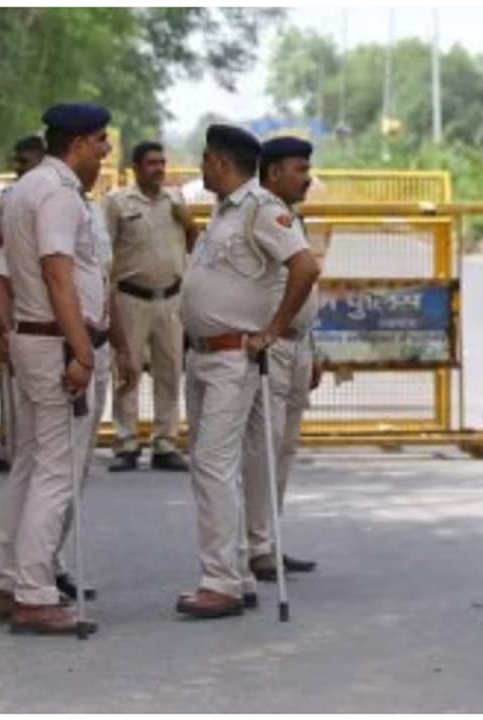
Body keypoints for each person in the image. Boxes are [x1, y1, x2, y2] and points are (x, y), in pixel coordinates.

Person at [175, 124, 320, 619]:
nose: (199, 168)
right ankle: (234, 570)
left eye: (203, 160)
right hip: (206, 354)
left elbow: (304, 267)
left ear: (219, 162)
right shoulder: (224, 211)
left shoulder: (260, 208)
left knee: (214, 464)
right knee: (217, 462)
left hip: (233, 356)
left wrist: (274, 329)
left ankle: (221, 582)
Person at [0, 102, 114, 635]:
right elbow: (58, 277)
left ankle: (10, 578)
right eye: (101, 142)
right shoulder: (58, 194)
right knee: (57, 472)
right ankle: (35, 592)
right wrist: (83, 351)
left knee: (32, 464)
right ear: (80, 143)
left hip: (35, 340)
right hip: (57, 342)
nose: (106, 152)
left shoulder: (23, 189)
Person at [241, 136, 324, 582]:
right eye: (299, 169)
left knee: (285, 447)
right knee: (264, 447)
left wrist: (315, 348)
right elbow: (300, 273)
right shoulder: (263, 211)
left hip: (298, 344)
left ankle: (270, 538)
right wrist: (274, 331)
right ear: (273, 173)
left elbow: (310, 288)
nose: (307, 177)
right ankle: (256, 545)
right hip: (274, 346)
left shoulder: (293, 218)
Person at [103, 140, 198, 472]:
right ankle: (126, 441)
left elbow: (194, 244)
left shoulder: (176, 199)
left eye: (162, 162)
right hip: (131, 296)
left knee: (170, 370)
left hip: (170, 297)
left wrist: (188, 222)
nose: (159, 169)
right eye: (151, 163)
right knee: (127, 370)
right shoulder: (117, 202)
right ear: (136, 168)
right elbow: (104, 251)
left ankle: (165, 441)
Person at [0, 135, 48, 475]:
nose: (18, 169)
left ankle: (36, 450)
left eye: (24, 161)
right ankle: (9, 446)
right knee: (10, 378)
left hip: (49, 300)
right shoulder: (9, 200)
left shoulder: (62, 197)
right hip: (17, 299)